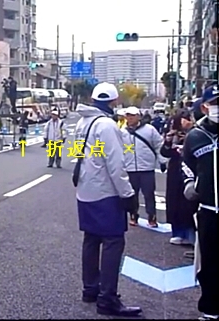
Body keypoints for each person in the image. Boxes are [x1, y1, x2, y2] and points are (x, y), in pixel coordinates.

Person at [74, 82, 141, 317]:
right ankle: (108, 298)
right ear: (114, 102)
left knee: (91, 239)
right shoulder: (107, 125)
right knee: (113, 241)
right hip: (106, 192)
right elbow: (115, 164)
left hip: (85, 189)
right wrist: (128, 194)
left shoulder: (83, 122)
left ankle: (90, 289)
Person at [182, 84, 218, 321]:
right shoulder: (195, 136)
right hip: (209, 210)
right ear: (204, 107)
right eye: (215, 104)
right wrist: (190, 184)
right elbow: (187, 165)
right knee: (210, 263)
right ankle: (211, 309)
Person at [121, 106, 166, 228]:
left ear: (139, 116)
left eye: (133, 115)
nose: (130, 118)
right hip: (130, 168)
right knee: (132, 194)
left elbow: (158, 145)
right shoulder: (122, 132)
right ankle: (133, 215)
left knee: (149, 194)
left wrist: (162, 161)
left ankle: (152, 217)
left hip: (147, 168)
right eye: (128, 115)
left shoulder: (149, 130)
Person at [161, 109, 197, 246]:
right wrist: (168, 141)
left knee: (189, 201)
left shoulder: (196, 133)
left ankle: (191, 234)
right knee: (174, 201)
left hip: (191, 169)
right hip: (175, 170)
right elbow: (165, 152)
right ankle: (177, 232)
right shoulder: (173, 134)